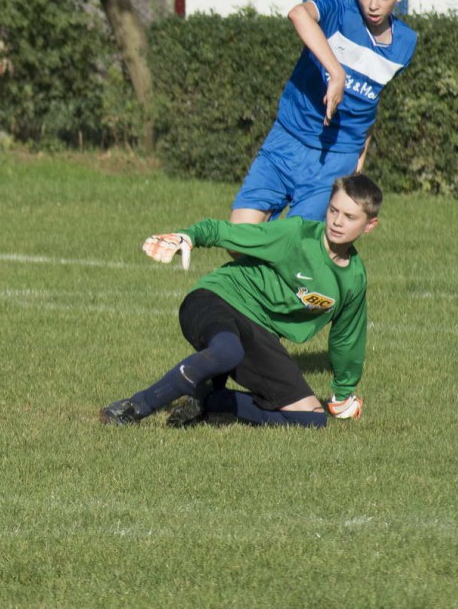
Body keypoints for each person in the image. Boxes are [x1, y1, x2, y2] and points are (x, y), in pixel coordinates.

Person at [100, 173, 382, 429]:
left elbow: (347, 337)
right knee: (227, 351)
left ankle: (211, 400)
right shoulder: (298, 235)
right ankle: (136, 406)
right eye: (333, 210)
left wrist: (343, 393)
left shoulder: (353, 280)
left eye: (349, 216)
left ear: (369, 224)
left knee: (311, 419)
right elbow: (232, 234)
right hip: (217, 299)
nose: (337, 221)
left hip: (258, 332)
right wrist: (189, 236)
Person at [231, 0, 416, 224]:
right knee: (239, 236)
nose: (373, 5)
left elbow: (370, 102)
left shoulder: (406, 43)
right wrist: (336, 72)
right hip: (288, 139)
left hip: (337, 157)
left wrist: (359, 160)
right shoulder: (338, 9)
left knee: (296, 242)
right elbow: (298, 14)